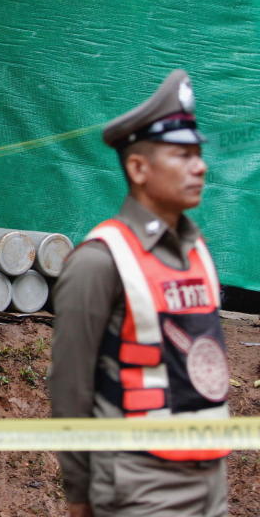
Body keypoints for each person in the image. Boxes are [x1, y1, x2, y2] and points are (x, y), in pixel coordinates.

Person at [49, 69, 229, 517]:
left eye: (198, 154)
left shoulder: (198, 250)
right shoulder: (99, 260)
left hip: (213, 478)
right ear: (138, 168)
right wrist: (79, 493)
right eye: (182, 155)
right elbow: (70, 386)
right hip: (142, 486)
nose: (200, 166)